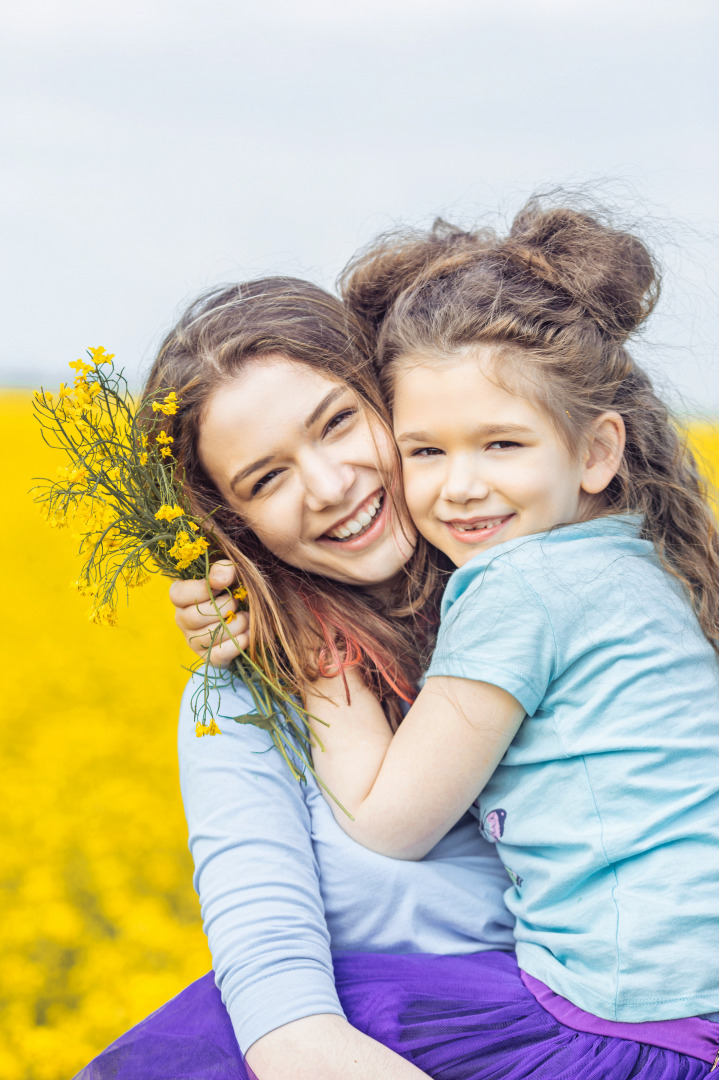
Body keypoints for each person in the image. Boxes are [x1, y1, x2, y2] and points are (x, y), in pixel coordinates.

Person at [76, 218, 717, 1079]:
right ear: (231, 525)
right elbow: (281, 1006)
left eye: (338, 423)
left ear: (393, 399)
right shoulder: (242, 695)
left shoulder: (541, 594)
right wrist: (299, 644)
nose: (331, 485)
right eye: (266, 478)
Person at [300, 202, 719, 1063]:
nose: (459, 487)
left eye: (500, 443)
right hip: (688, 996)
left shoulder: (519, 585)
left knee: (324, 1018)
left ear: (596, 452)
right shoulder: (634, 562)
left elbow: (391, 823)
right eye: (425, 452)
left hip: (635, 1012)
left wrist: (314, 649)